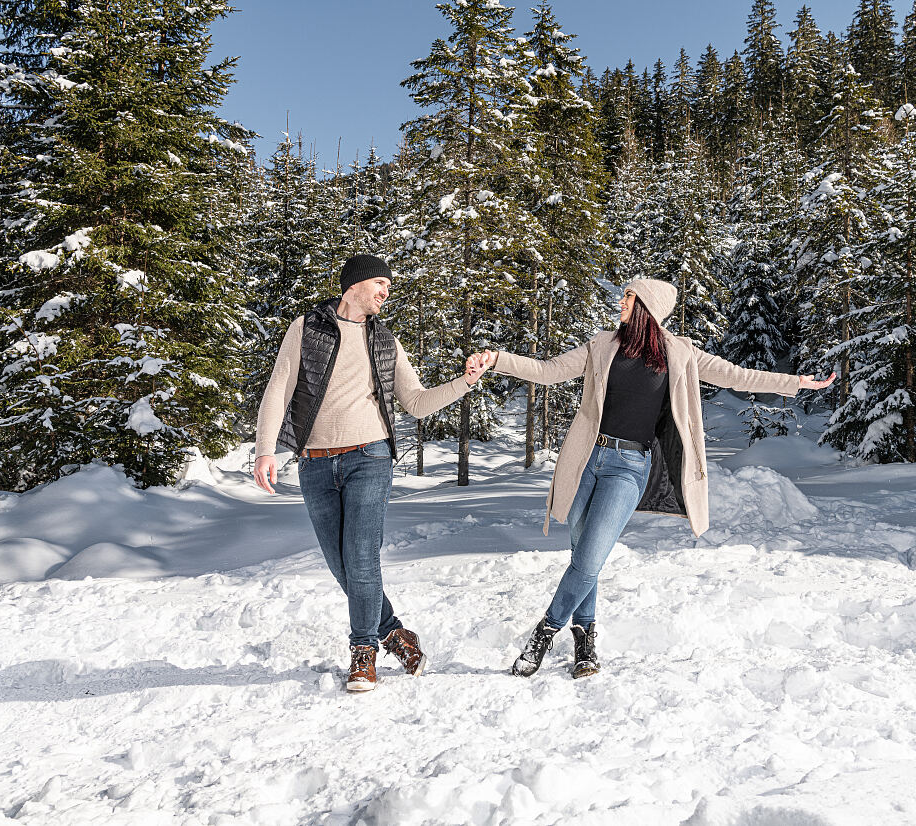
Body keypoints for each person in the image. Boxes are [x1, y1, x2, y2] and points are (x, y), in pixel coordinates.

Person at [471, 278, 835, 679]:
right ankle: (585, 635)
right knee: (583, 557)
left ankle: (545, 632)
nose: (621, 301)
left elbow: (735, 375)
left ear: (647, 306)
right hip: (586, 459)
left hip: (628, 467)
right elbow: (547, 371)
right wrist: (497, 359)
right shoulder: (602, 344)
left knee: (590, 557)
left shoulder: (679, 354)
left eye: (629, 296)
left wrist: (794, 383)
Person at [253, 254, 486, 692]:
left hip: (369, 456)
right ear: (354, 284)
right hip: (315, 462)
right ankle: (395, 631)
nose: (385, 292)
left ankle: (363, 652)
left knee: (361, 557)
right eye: (380, 282)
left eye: (388, 286)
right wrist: (266, 449)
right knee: (342, 565)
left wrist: (465, 382)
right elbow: (280, 387)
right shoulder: (308, 328)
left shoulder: (385, 341)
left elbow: (415, 402)